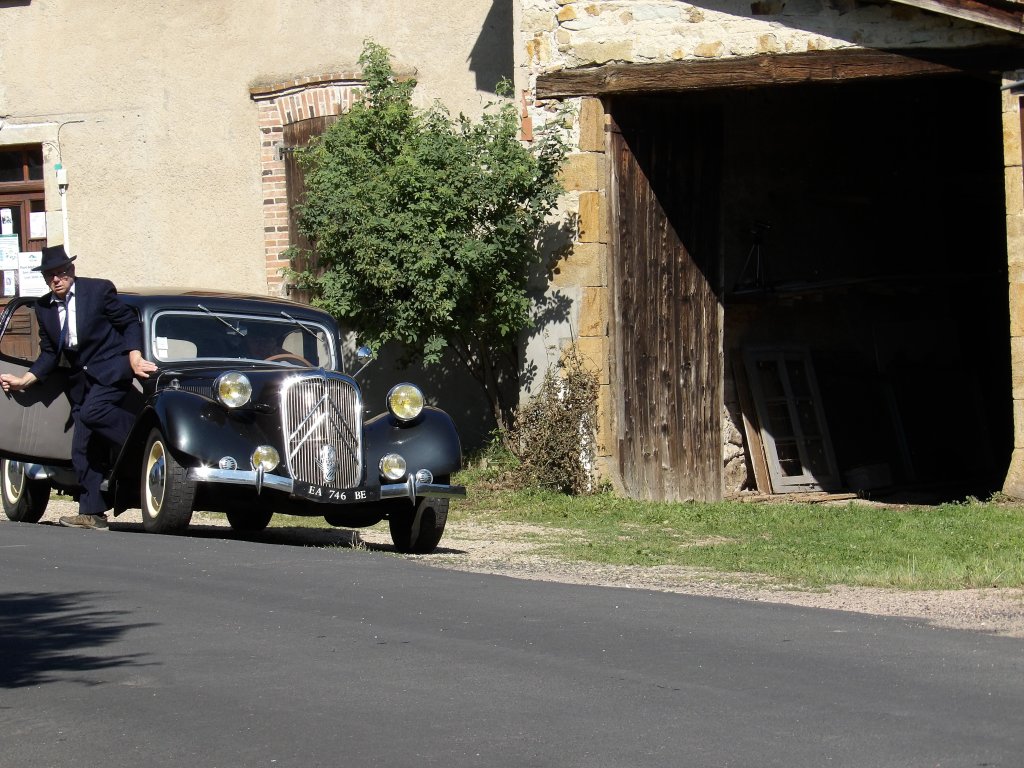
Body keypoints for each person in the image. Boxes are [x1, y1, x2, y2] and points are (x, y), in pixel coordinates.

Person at [0, 245, 158, 530]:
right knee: (82, 447)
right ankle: (92, 512)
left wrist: (134, 357)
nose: (56, 280)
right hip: (80, 382)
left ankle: (146, 444)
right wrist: (25, 380)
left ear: (71, 271)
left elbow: (128, 323)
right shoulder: (43, 308)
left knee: (93, 413)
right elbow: (49, 353)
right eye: (50, 276)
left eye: (60, 273)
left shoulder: (98, 291)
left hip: (111, 369)